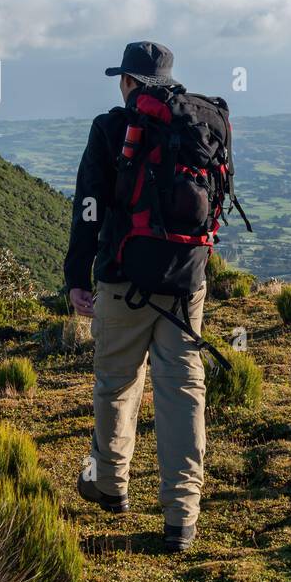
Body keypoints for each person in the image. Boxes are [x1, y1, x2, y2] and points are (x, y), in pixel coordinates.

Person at [64, 41, 206, 552]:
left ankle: (110, 484)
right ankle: (181, 516)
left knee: (117, 382)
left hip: (124, 279)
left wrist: (77, 274)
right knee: (182, 392)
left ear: (127, 82)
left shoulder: (110, 129)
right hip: (186, 283)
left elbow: (89, 207)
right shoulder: (197, 123)